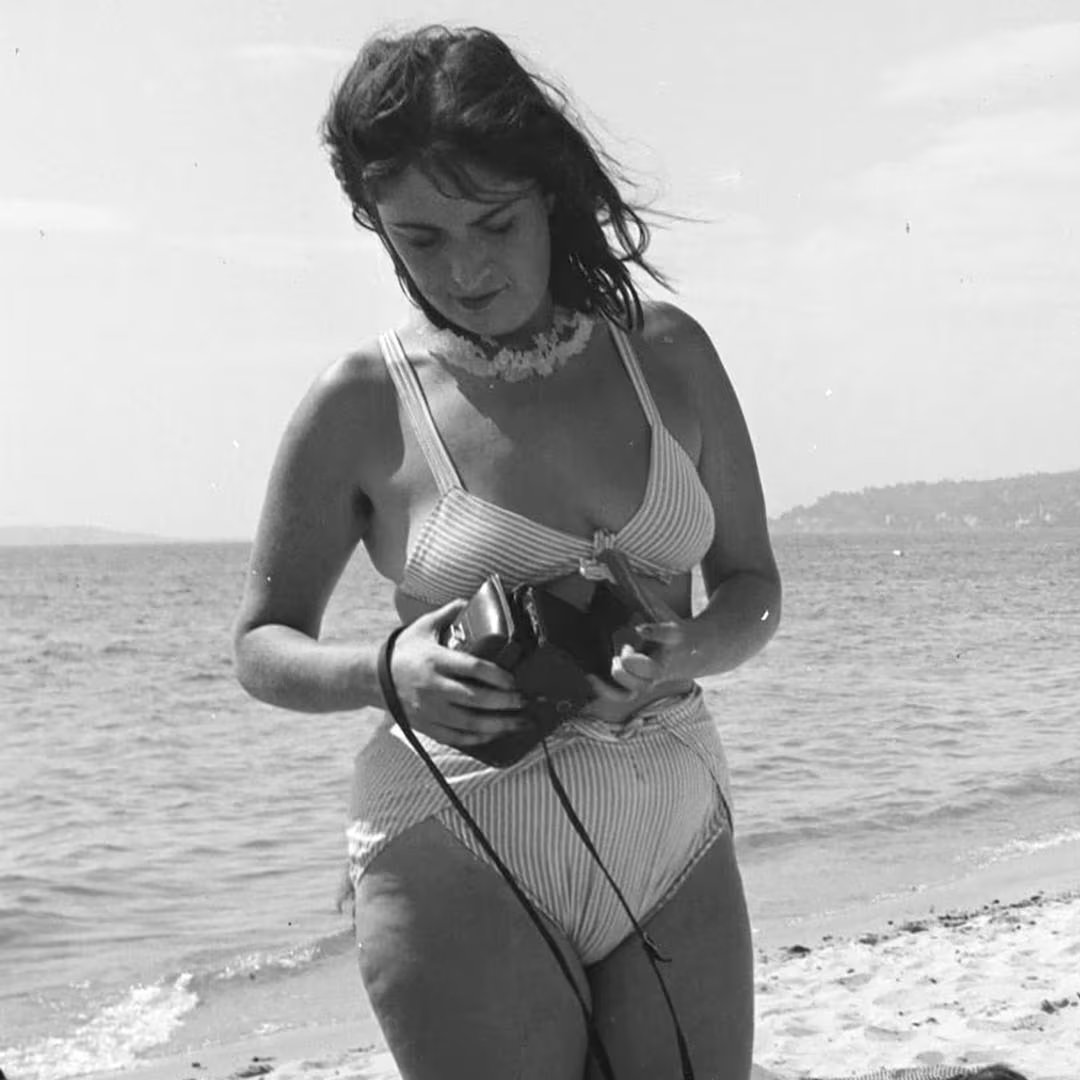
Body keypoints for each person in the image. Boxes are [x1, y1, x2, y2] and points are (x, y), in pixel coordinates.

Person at [232, 25, 780, 1080]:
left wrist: (685, 651)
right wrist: (385, 670)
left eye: (495, 222)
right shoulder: (360, 401)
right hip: (458, 832)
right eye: (420, 238)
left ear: (549, 195)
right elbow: (261, 646)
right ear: (376, 227)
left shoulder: (669, 355)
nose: (467, 269)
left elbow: (753, 586)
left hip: (672, 818)